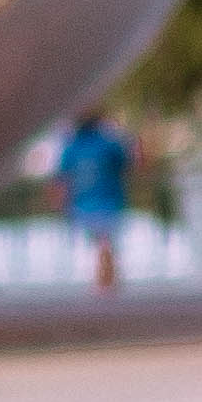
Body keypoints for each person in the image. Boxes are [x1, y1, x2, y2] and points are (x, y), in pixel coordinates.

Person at [56, 106, 134, 286]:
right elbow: (127, 166)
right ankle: (106, 283)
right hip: (108, 202)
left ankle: (103, 283)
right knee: (104, 244)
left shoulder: (72, 146)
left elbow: (62, 180)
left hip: (85, 204)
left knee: (100, 246)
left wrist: (61, 203)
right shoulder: (109, 143)